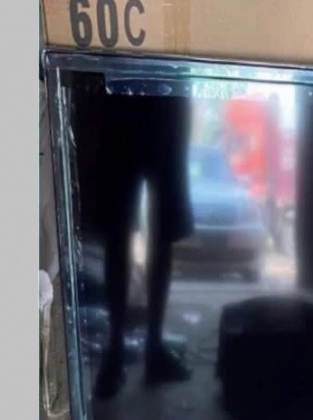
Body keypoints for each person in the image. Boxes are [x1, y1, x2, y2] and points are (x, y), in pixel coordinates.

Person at [68, 73, 194, 400]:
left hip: (140, 94)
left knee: (136, 231)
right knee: (127, 231)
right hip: (140, 92)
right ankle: (126, 353)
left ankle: (129, 354)